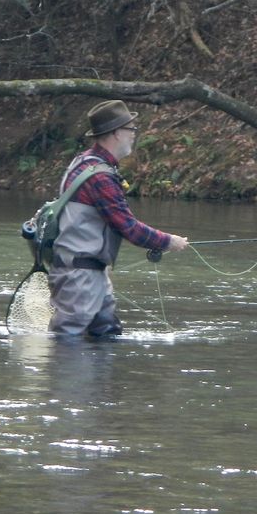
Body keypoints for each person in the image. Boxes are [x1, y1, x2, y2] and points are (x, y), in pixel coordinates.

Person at [48, 100, 189, 338]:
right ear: (115, 133)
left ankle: (107, 378)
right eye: (131, 129)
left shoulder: (83, 162)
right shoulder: (100, 177)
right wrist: (168, 241)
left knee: (107, 334)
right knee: (66, 344)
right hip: (80, 277)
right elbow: (128, 228)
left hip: (88, 273)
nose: (134, 135)